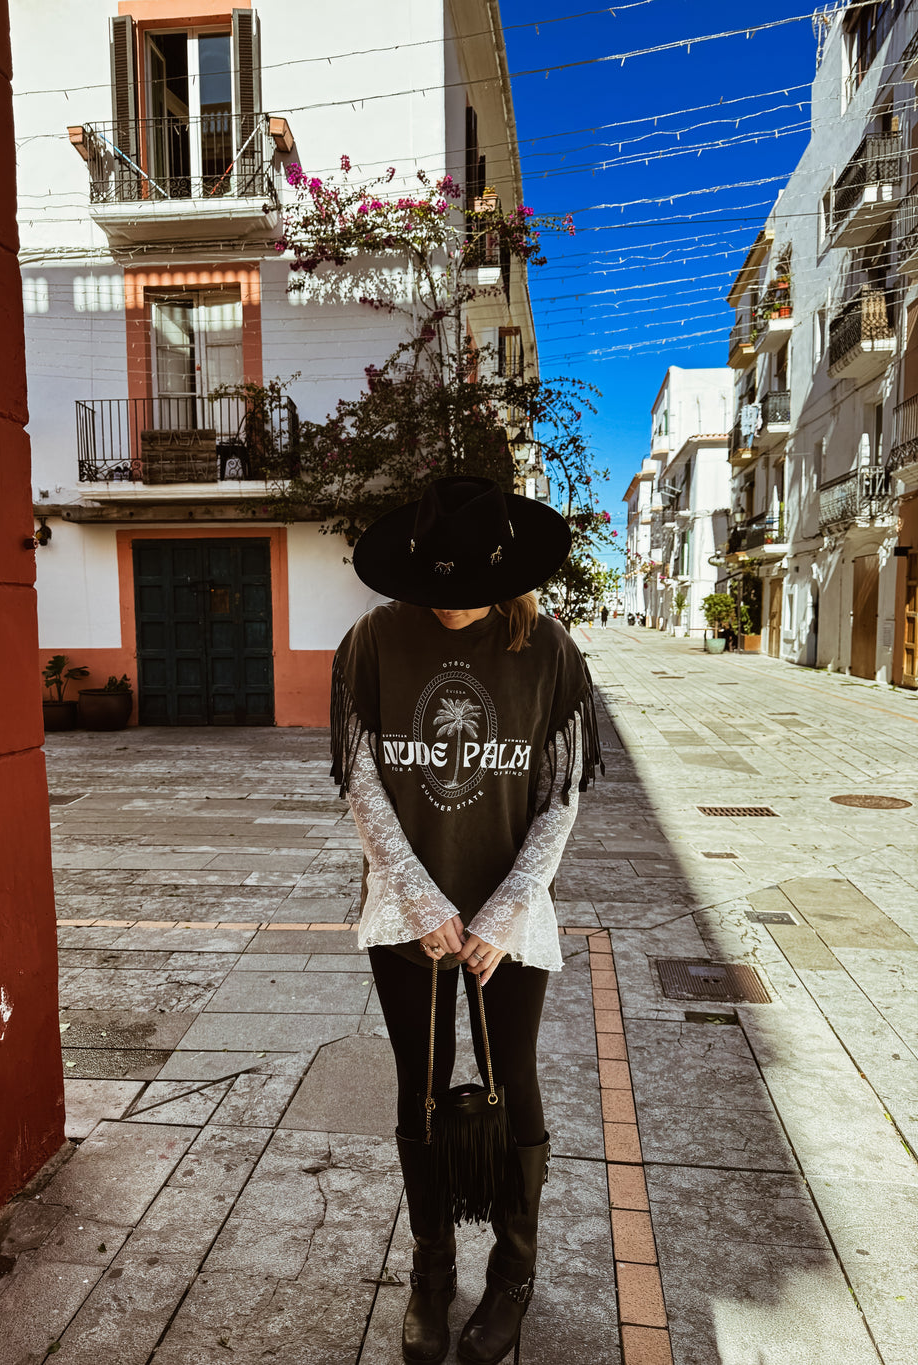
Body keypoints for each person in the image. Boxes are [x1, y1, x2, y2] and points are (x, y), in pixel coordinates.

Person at [330, 477, 603, 1365]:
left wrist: (503, 910)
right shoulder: (371, 643)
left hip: (508, 920)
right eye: (435, 587)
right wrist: (420, 899)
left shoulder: (550, 653)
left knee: (510, 1076)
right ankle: (431, 1266)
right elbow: (364, 783)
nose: (448, 607)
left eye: (465, 588)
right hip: (405, 915)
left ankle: (513, 1273)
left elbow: (560, 799)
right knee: (420, 1082)